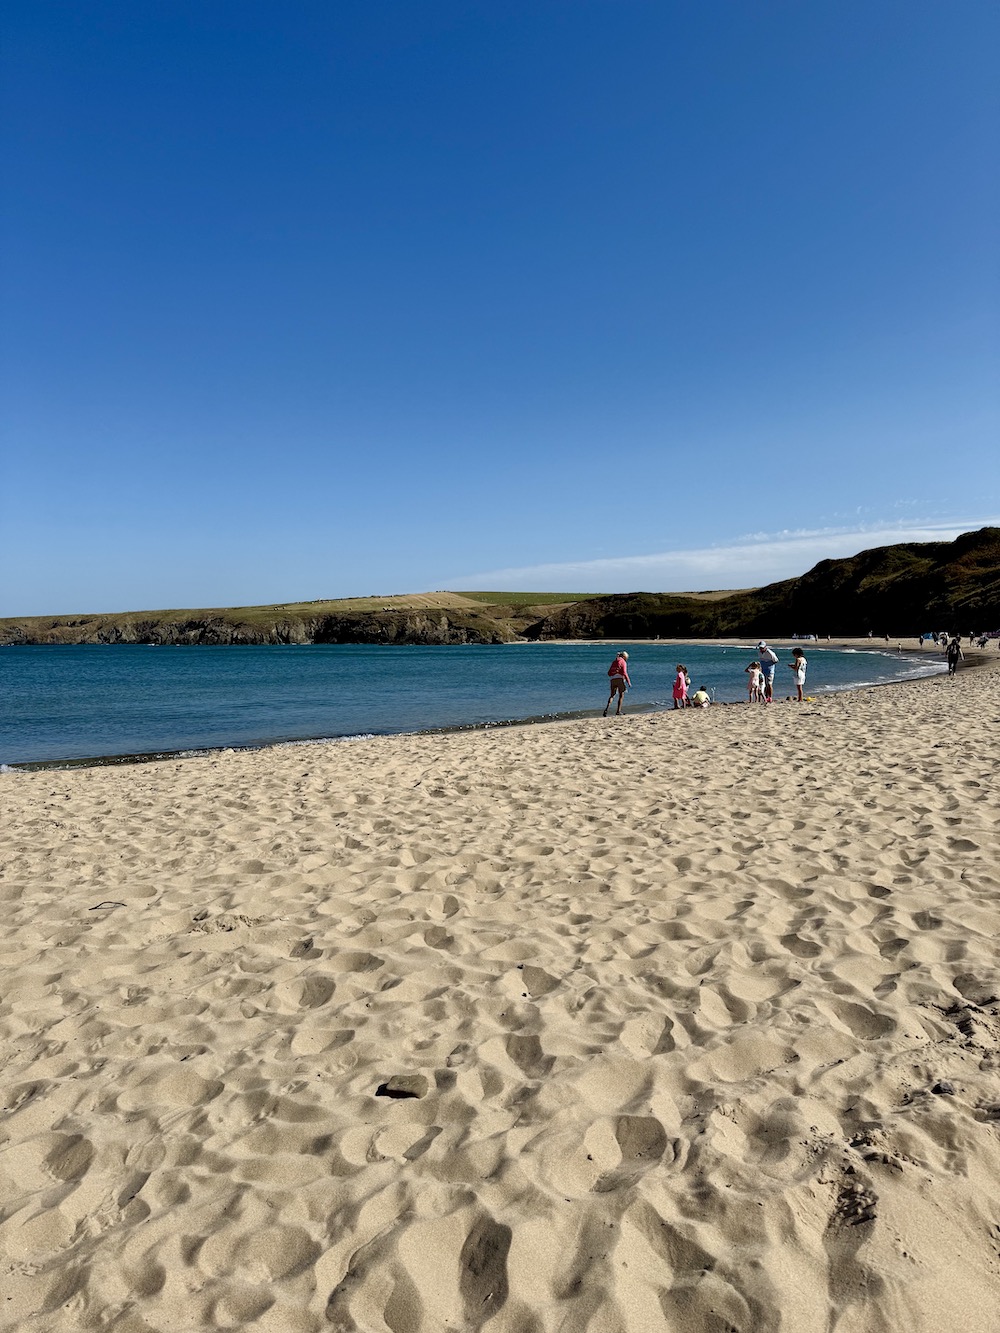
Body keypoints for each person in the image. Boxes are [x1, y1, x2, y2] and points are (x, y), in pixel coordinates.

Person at [603, 650, 631, 715]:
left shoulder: (614, 662)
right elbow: (624, 672)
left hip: (613, 679)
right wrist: (628, 681)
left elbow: (609, 673)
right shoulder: (623, 662)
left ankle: (606, 709)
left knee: (612, 695)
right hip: (620, 679)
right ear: (624, 657)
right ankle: (618, 711)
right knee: (621, 695)